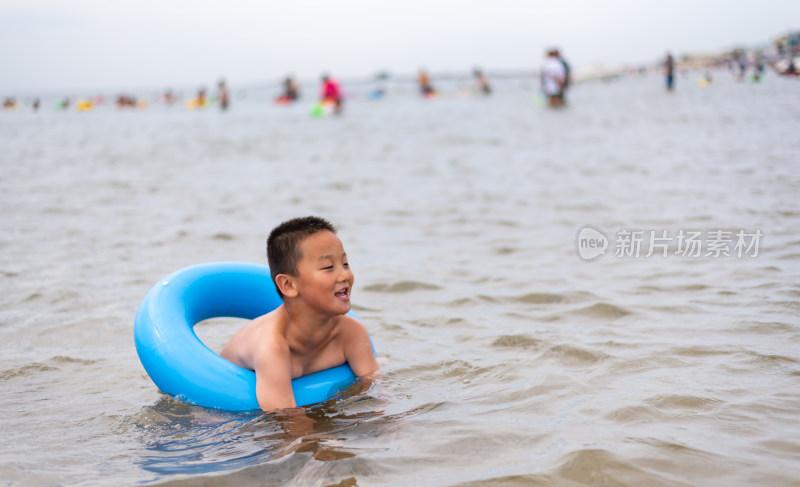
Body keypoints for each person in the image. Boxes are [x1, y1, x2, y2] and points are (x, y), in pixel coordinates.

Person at [220, 216, 379, 411]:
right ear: (288, 285)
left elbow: (377, 389)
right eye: (329, 267)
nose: (344, 275)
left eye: (345, 264)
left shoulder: (351, 332)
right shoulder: (272, 347)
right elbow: (287, 420)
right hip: (225, 412)